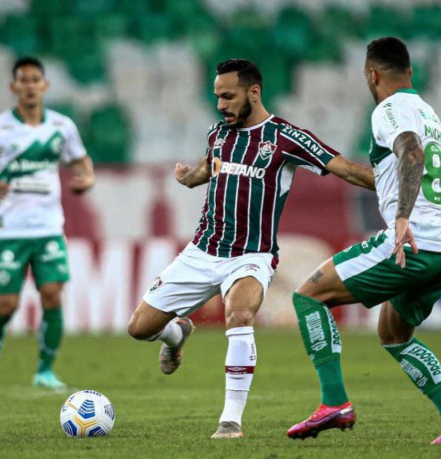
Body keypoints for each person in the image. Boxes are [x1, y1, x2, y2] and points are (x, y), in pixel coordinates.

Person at [126, 58, 375, 439]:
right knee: (139, 329)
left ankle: (230, 421)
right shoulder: (218, 134)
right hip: (203, 250)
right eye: (216, 97)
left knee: (239, 315)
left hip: (252, 255)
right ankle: (176, 335)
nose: (220, 104)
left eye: (228, 96)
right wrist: (189, 178)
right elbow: (208, 169)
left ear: (253, 92)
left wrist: (405, 189)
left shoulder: (286, 138)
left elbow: (344, 168)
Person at [285, 37, 441, 444]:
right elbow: (410, 165)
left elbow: (410, 154)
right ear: (410, 72)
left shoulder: (388, 110)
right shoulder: (429, 114)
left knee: (308, 296)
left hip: (414, 241)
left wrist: (403, 217)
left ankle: (334, 402)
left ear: (371, 75)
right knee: (394, 335)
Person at [0, 56, 95, 389]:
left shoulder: (62, 126)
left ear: (45, 86)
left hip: (49, 227)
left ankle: (45, 370)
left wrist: (87, 178)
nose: (29, 86)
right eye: (23, 80)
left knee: (52, 294)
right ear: (14, 87)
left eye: (35, 79)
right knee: (8, 304)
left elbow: (80, 159)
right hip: (9, 229)